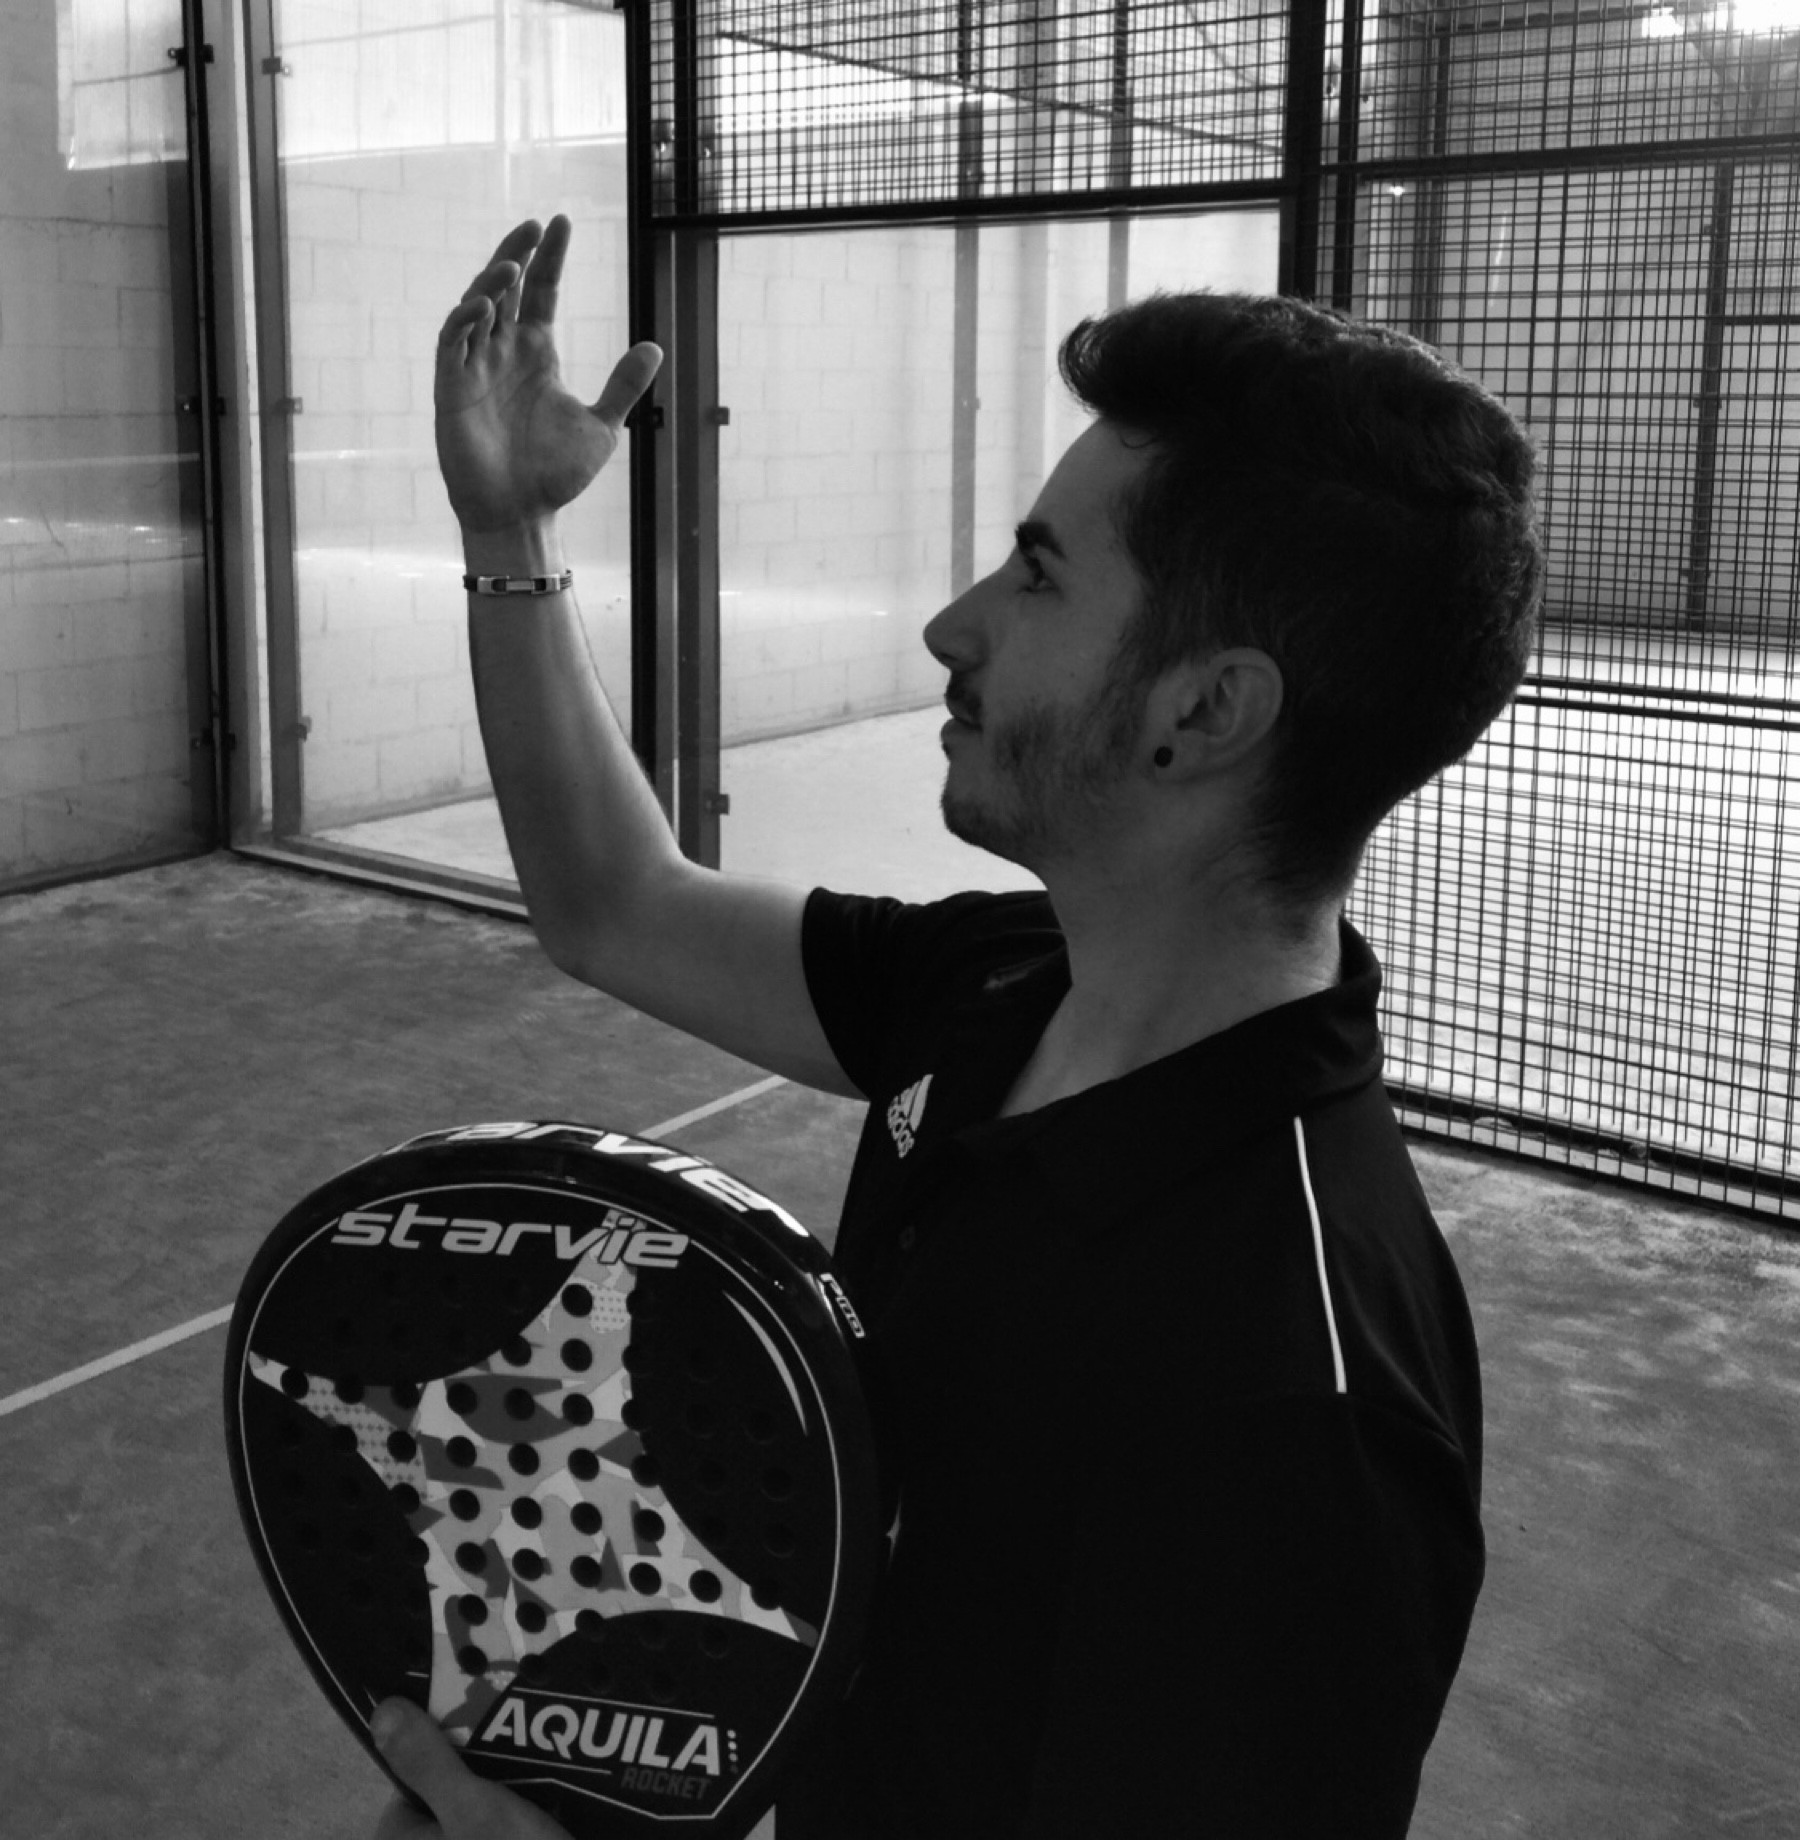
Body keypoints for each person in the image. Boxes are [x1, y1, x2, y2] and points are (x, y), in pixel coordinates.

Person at [369, 213, 1543, 1839]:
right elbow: (613, 903)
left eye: (1039, 574)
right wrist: (509, 534)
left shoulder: (1289, 1403)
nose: (954, 623)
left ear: (1206, 710)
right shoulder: (1007, 983)